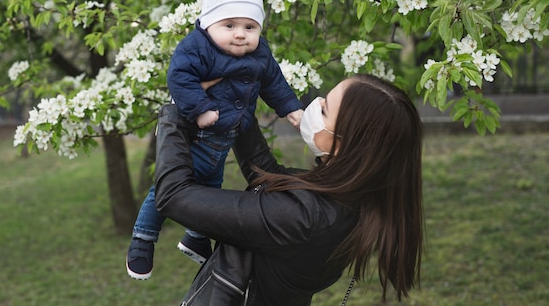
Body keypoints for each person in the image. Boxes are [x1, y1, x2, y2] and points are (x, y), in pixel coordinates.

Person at [153, 74, 424, 305]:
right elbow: (266, 175)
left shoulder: (304, 219)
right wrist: (237, 105)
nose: (314, 106)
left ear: (343, 144)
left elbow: (174, 195)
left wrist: (175, 111)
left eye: (325, 109)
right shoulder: (346, 199)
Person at [126, 0, 304, 280]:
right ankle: (143, 238)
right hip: (197, 136)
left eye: (250, 26)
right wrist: (201, 108)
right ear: (209, 24)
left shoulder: (260, 52)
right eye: (230, 25)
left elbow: (273, 81)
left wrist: (289, 107)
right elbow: (178, 77)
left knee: (209, 189)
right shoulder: (198, 46)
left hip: (225, 140)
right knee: (166, 191)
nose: (240, 34)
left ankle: (195, 237)